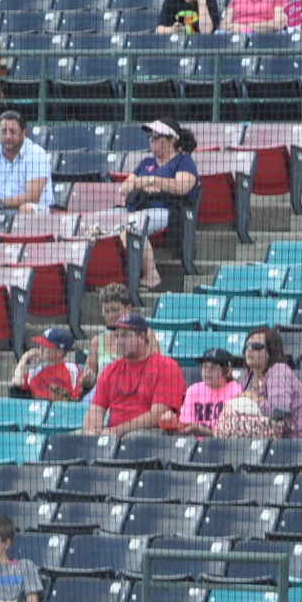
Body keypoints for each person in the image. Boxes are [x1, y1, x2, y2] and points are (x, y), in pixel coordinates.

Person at [119, 119, 197, 293]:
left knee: (132, 226)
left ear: (172, 140)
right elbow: (124, 188)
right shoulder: (146, 163)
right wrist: (141, 184)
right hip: (140, 209)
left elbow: (182, 187)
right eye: (150, 136)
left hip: (168, 212)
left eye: (157, 136)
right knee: (109, 221)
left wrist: (153, 180)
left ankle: (151, 275)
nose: (151, 140)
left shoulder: (183, 161)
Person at [82, 312, 183, 439]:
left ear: (141, 337)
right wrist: (91, 431)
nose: (119, 342)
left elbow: (157, 415)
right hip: (114, 436)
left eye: (125, 336)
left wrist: (115, 431)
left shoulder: (166, 367)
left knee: (132, 438)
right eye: (117, 336)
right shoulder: (110, 370)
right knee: (72, 440)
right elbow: (95, 409)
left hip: (151, 436)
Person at [232, 326, 302, 439]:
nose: (249, 349)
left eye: (256, 346)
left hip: (301, 438)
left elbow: (279, 412)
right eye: (247, 345)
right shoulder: (247, 375)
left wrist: (253, 398)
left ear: (270, 351)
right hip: (270, 436)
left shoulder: (279, 371)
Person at [82, 284, 152, 393]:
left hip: (136, 392)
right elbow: (87, 382)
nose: (110, 315)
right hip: (101, 395)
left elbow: (154, 369)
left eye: (115, 310)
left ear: (128, 308)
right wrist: (87, 379)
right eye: (106, 311)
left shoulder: (145, 334)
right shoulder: (97, 341)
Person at [171, 346, 235, 435]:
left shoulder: (234, 390)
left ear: (228, 371)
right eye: (205, 366)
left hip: (223, 445)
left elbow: (228, 433)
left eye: (214, 367)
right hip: (193, 444)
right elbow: (185, 425)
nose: (208, 371)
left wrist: (197, 428)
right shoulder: (193, 390)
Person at [9, 327, 81, 401]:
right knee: (13, 389)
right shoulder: (36, 371)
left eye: (46, 346)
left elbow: (77, 396)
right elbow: (16, 382)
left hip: (62, 410)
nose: (41, 349)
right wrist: (24, 358)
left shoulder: (71, 368)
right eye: (41, 345)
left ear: (59, 352)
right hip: (38, 408)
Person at [222, 0, 291, 30]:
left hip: (264, 34)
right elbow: (223, 25)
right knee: (219, 33)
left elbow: (278, 24)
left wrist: (246, 27)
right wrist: (233, 27)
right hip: (235, 31)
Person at [156, 0, 220, 32]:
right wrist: (172, 30)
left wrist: (201, 1)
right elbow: (159, 30)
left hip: (202, 44)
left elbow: (206, 31)